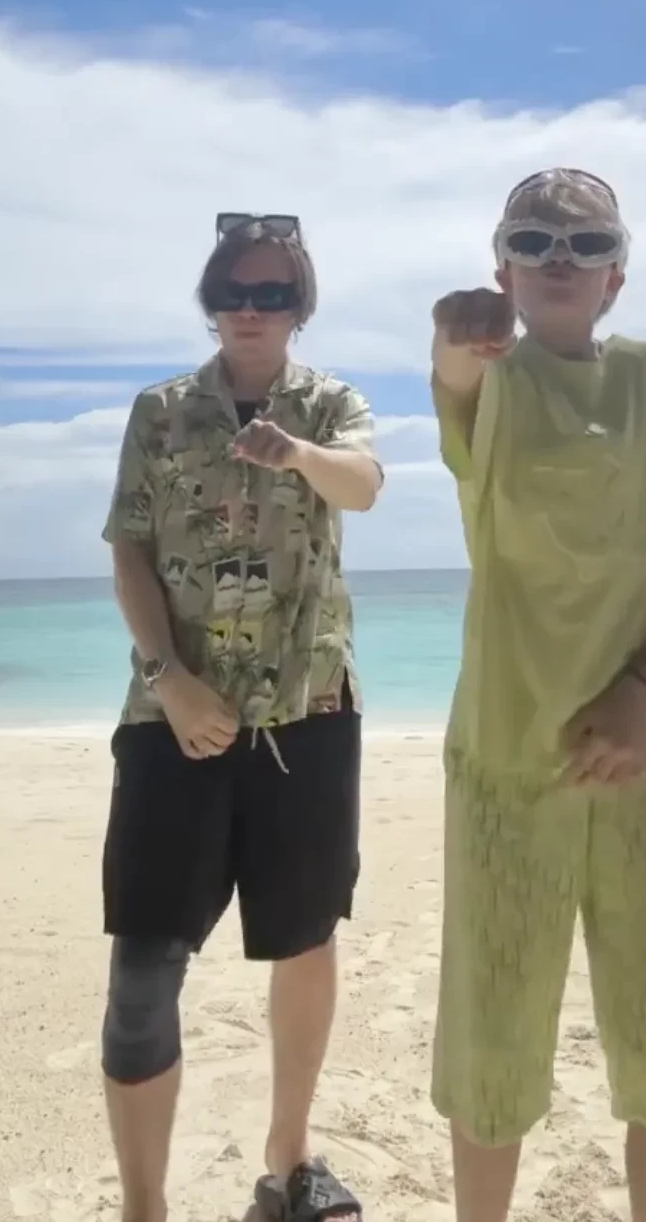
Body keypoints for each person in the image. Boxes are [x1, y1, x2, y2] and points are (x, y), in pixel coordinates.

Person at [429, 169, 646, 1222]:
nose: (558, 257)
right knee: (493, 1044)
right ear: (502, 269)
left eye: (586, 242)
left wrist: (644, 689)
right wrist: (456, 338)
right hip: (507, 761)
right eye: (533, 240)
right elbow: (456, 379)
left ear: (616, 278)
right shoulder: (492, 381)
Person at [100, 213, 382, 1222]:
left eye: (272, 295)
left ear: (299, 308)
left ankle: (288, 1163)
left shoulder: (331, 404)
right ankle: (144, 1205)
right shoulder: (160, 411)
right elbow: (129, 549)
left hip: (309, 713)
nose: (250, 310)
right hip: (171, 718)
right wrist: (168, 676)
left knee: (303, 940)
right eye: (233, 293)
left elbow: (365, 485)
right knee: (143, 971)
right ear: (210, 303)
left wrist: (298, 453)